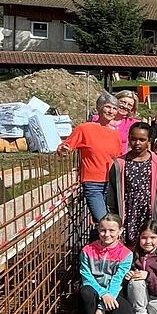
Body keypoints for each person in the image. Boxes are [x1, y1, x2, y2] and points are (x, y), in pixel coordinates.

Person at [57, 93, 122, 223]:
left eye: (114, 108)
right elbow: (65, 147)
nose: (111, 111)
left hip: (112, 183)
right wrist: (63, 150)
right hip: (93, 183)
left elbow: (118, 158)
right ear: (99, 108)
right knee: (103, 220)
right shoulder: (84, 129)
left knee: (113, 221)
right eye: (108, 107)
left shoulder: (115, 134)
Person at [105, 122, 157, 244]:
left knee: (148, 245)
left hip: (149, 215)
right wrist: (114, 220)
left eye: (142, 139)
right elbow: (112, 195)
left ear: (149, 141)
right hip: (128, 214)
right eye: (134, 139)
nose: (137, 143)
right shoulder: (119, 164)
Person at [79, 214, 134, 314]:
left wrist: (101, 308)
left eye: (111, 230)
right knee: (85, 291)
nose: (107, 234)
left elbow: (117, 279)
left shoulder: (126, 254)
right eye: (103, 230)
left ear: (120, 231)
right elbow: (86, 276)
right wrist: (103, 294)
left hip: (112, 291)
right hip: (93, 290)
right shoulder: (87, 250)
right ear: (98, 230)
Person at [91, 90, 140, 154]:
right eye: (123, 102)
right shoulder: (97, 119)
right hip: (99, 156)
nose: (125, 106)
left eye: (129, 105)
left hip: (120, 158)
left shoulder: (133, 123)